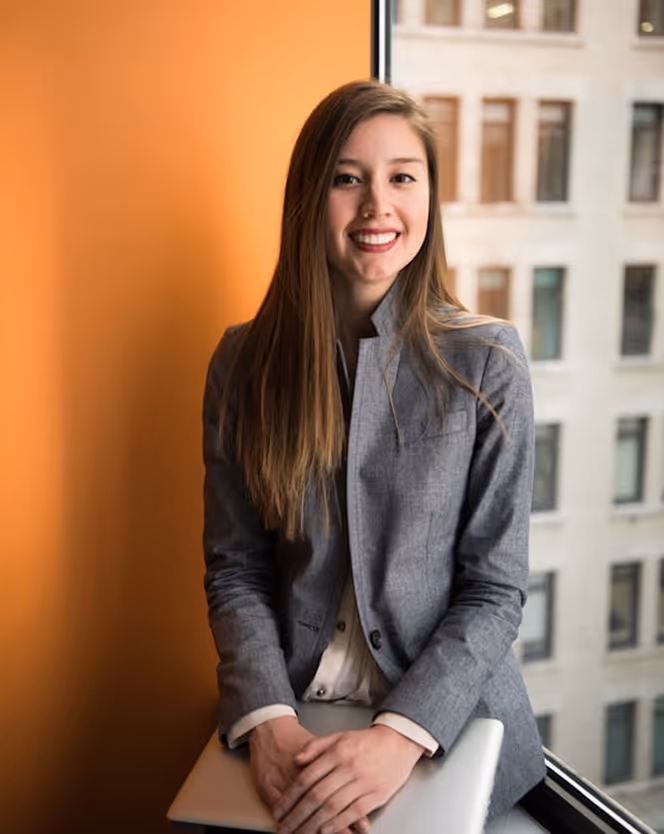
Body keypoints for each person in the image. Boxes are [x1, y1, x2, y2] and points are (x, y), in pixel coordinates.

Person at [202, 79, 546, 834]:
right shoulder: (242, 362)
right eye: (347, 178)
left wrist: (399, 738)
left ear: (429, 197)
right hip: (292, 716)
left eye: (402, 178)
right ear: (308, 198)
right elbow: (237, 569)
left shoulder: (488, 362)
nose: (377, 206)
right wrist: (268, 725)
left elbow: (494, 591)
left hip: (442, 727)